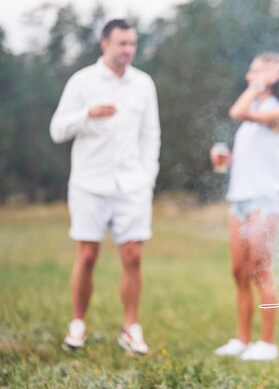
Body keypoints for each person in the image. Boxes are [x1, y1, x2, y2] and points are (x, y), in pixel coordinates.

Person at [50, 19, 161, 355]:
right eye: (121, 44)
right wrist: (86, 113)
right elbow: (57, 129)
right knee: (86, 255)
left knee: (134, 255)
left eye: (132, 44)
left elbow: (151, 133)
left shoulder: (143, 84)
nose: (127, 50)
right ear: (105, 44)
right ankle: (78, 324)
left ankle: (130, 328)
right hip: (89, 183)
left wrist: (148, 176)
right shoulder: (82, 81)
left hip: (132, 185)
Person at [213, 53, 279, 361]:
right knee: (239, 271)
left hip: (263, 199)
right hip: (239, 198)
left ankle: (267, 344)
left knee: (261, 269)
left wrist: (261, 84)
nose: (251, 74)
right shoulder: (256, 110)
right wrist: (228, 161)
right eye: (251, 69)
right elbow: (254, 153)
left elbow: (237, 110)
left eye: (257, 69)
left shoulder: (278, 111)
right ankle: (242, 339)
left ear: (275, 75)